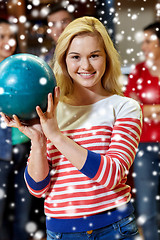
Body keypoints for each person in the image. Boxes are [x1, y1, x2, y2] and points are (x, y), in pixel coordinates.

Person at [1, 16, 142, 240]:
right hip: (61, 232)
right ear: (64, 59)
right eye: (75, 57)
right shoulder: (51, 110)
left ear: (107, 58)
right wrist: (38, 141)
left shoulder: (125, 107)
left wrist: (56, 135)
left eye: (94, 56)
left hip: (114, 229)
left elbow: (111, 175)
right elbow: (38, 188)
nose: (85, 66)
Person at [124, 22, 160, 240]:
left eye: (148, 41)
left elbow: (141, 108)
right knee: (147, 211)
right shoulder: (138, 70)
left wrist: (147, 108)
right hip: (144, 146)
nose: (143, 46)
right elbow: (132, 110)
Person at [0, 18, 32, 240]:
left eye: (11, 37)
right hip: (1, 152)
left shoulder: (24, 68)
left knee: (24, 215)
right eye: (1, 37)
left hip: (26, 149)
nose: (8, 42)